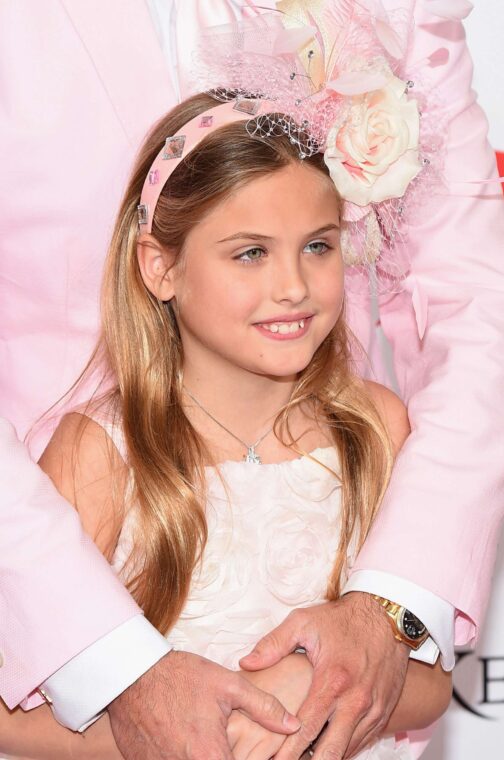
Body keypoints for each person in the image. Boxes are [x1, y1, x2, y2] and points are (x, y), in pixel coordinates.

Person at [0, 3, 502, 760]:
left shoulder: (372, 433)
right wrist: (128, 691)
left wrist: (382, 618)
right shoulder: (94, 455)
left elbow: (477, 307)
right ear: (157, 266)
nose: (292, 286)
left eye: (318, 247)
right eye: (251, 253)